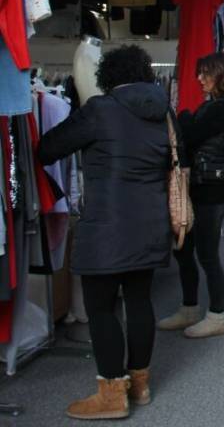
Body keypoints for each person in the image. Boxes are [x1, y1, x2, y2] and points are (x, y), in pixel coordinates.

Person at [39, 45, 171, 420]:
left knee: (100, 306)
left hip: (108, 225)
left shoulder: (100, 110)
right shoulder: (164, 111)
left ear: (107, 76)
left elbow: (48, 149)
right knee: (139, 300)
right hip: (151, 222)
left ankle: (113, 393)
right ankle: (140, 383)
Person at [156, 52, 224, 338]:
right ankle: (190, 308)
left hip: (209, 191)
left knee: (206, 254)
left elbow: (188, 134)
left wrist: (182, 116)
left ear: (221, 74)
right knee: (184, 251)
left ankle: (217, 315)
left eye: (206, 73)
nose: (200, 79)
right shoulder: (217, 106)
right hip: (198, 188)